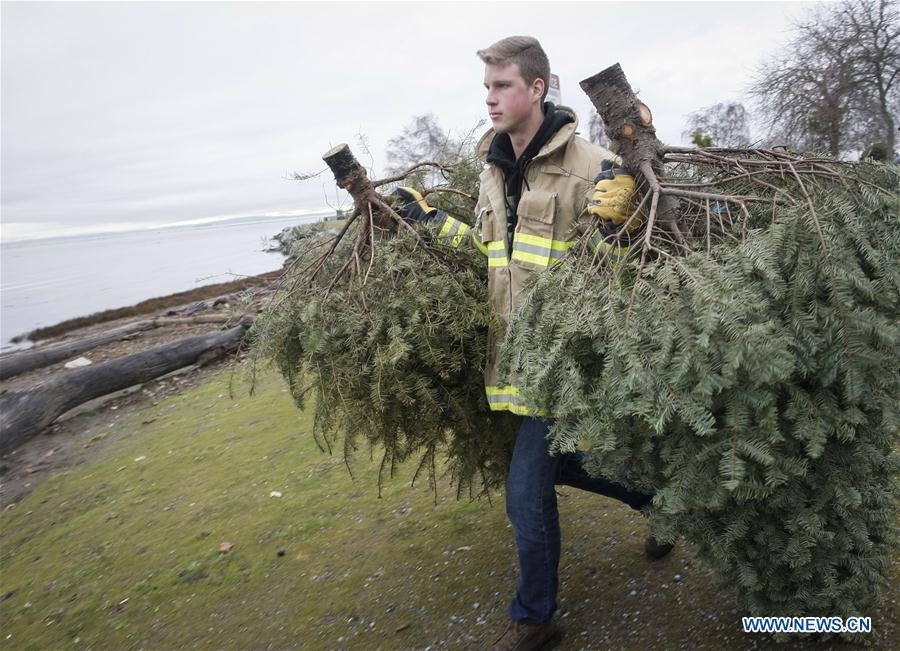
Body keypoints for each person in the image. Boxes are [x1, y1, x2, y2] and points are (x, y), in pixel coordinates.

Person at [394, 36, 672, 651]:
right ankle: (659, 501)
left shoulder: (595, 166)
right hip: (514, 360)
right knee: (561, 466)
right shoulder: (493, 171)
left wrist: (626, 222)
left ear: (537, 89)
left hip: (567, 361)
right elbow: (493, 258)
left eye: (502, 86)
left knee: (525, 492)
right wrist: (430, 223)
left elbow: (623, 269)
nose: (489, 98)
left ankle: (535, 616)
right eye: (486, 87)